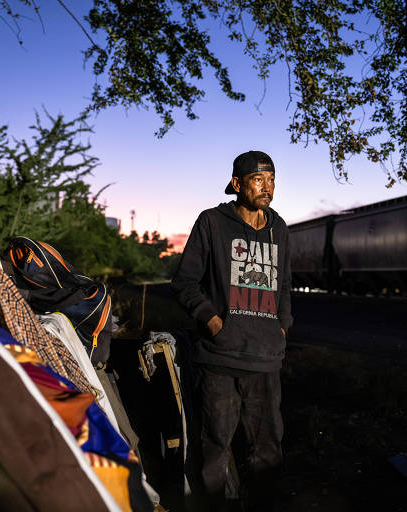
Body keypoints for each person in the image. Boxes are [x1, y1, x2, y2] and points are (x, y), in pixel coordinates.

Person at [171, 150, 292, 510]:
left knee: (267, 450)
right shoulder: (212, 223)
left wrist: (282, 329)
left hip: (265, 361)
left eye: (271, 179)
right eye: (259, 179)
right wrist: (213, 322)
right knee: (215, 448)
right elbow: (185, 281)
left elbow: (284, 286)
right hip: (220, 359)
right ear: (237, 184)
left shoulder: (279, 228)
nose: (267, 186)